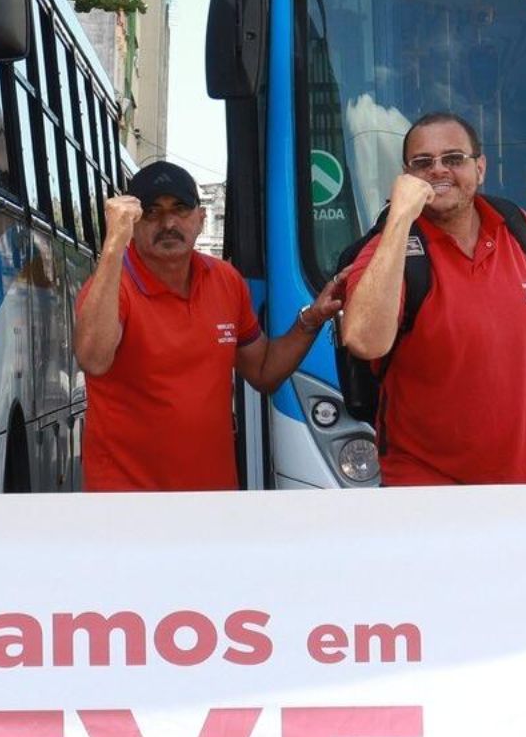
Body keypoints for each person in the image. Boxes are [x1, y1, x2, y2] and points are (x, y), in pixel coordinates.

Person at [74, 160, 344, 491]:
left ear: (201, 219)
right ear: (134, 223)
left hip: (211, 499)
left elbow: (262, 371)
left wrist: (310, 321)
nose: (168, 222)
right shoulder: (113, 285)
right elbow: (93, 358)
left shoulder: (225, 280)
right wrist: (114, 244)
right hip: (127, 502)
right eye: (152, 212)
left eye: (180, 209)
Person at [338, 111, 526, 486]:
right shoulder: (387, 251)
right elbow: (365, 340)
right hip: (431, 496)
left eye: (453, 159)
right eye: (422, 163)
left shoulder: (518, 227)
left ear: (480, 168)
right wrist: (399, 217)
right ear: (406, 177)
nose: (439, 170)